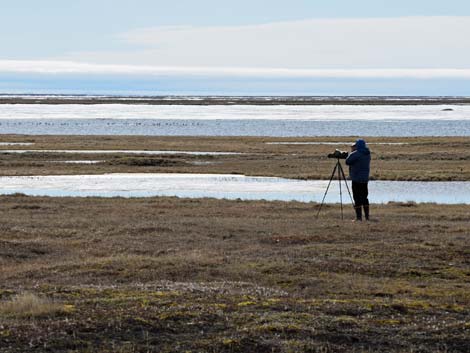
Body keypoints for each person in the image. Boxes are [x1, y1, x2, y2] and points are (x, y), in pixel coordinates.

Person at [345, 139, 371, 221]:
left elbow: (347, 161)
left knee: (357, 197)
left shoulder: (356, 153)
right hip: (365, 179)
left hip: (356, 179)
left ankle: (359, 217)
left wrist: (352, 152)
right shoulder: (367, 153)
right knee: (364, 197)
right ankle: (367, 217)